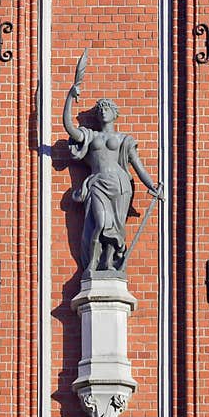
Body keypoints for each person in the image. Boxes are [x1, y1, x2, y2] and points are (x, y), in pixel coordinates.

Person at [63, 78, 162, 274]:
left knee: (117, 227)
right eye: (100, 108)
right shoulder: (90, 136)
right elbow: (69, 127)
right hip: (98, 183)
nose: (103, 111)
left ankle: (108, 262)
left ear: (115, 114)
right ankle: (92, 263)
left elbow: (138, 166)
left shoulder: (124, 140)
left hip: (120, 185)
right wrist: (69, 98)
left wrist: (152, 185)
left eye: (107, 108)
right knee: (100, 223)